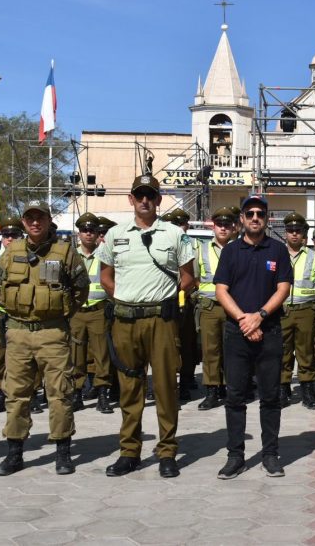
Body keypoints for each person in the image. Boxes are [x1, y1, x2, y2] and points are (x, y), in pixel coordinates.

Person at [98, 175, 196, 478]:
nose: (144, 201)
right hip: (125, 321)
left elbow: (189, 277)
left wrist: (169, 299)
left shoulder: (173, 235)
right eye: (139, 195)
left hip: (161, 321)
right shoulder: (115, 235)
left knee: (166, 387)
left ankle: (167, 451)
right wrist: (125, 298)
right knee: (129, 389)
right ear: (131, 199)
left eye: (150, 195)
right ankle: (130, 451)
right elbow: (105, 277)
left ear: (158, 200)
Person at [0, 200, 89, 476]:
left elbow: (81, 288)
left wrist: (63, 312)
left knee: (60, 393)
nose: (35, 222)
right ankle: (14, 453)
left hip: (53, 333)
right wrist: (13, 308)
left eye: (40, 218)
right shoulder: (12, 252)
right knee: (16, 394)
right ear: (24, 222)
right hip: (18, 333)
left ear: (48, 220)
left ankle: (63, 452)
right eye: (30, 218)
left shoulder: (65, 252)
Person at [213, 195, 292, 479]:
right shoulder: (231, 251)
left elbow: (283, 288)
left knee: (271, 396)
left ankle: (270, 454)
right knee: (235, 396)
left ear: (267, 218)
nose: (255, 217)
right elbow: (221, 290)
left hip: (269, 330)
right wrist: (244, 320)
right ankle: (236, 456)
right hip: (237, 332)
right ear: (242, 220)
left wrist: (259, 315)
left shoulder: (278, 250)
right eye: (250, 213)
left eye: (260, 213)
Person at [72, 212, 113, 414]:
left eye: (92, 230)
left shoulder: (106, 255)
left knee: (101, 354)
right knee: (75, 355)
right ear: (79, 233)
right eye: (84, 230)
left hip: (99, 310)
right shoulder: (70, 256)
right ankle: (77, 394)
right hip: (76, 312)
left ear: (98, 234)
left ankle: (103, 394)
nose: (88, 234)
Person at [196, 206, 236, 410]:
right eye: (219, 224)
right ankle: (212, 390)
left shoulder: (239, 248)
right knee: (210, 349)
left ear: (233, 228)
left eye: (227, 225)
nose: (222, 228)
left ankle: (232, 390)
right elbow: (195, 278)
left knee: (232, 350)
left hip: (233, 307)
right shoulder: (201, 249)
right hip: (210, 307)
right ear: (213, 226)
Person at [280, 212, 315, 409]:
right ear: (285, 233)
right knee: (283, 351)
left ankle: (307, 389)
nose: (294, 234)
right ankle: (282, 388)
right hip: (282, 310)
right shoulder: (276, 254)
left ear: (304, 233)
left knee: (306, 352)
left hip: (306, 310)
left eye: (298, 230)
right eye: (290, 230)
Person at [165, 208, 199, 401]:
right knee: (169, 344)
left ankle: (185, 381)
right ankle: (169, 383)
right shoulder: (162, 244)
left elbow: (195, 276)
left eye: (181, 223)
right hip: (166, 299)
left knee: (186, 344)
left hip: (186, 299)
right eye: (174, 224)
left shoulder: (191, 246)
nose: (178, 227)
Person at [0, 215, 24, 414]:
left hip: (19, 314)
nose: (10, 238)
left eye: (14, 234)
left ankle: (17, 391)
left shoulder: (27, 257)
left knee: (20, 356)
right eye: (6, 234)